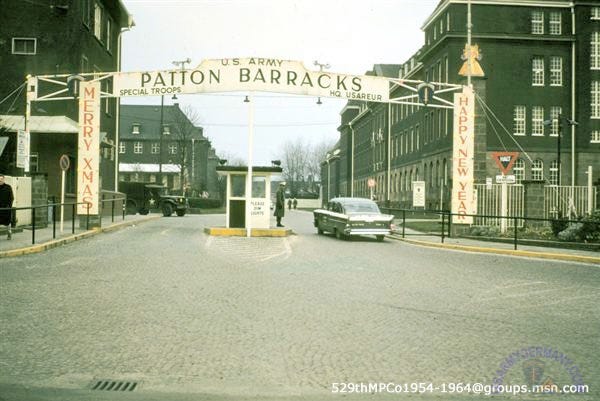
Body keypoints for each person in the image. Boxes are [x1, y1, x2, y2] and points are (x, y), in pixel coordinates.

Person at [0, 174, 15, 240]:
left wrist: (9, 206)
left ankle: (9, 233)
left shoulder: (8, 187)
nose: (0, 180)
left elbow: (11, 198)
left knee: (7, 223)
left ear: (3, 179)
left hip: (6, 208)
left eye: (1, 179)